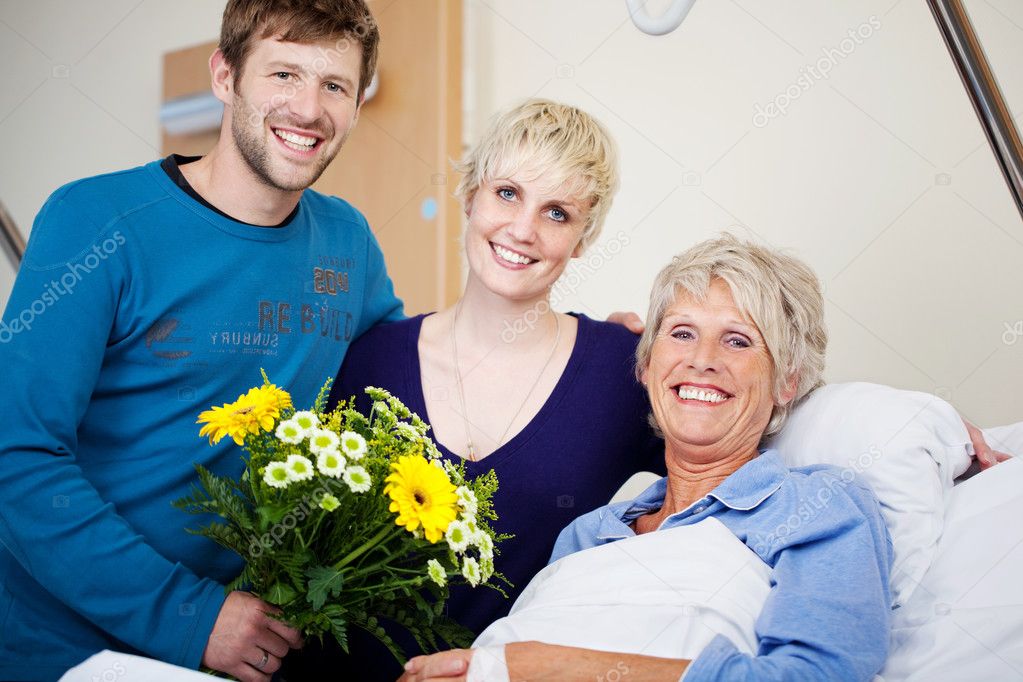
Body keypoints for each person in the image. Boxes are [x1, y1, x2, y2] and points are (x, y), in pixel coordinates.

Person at [0, 1, 402, 680]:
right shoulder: (96, 221)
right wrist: (187, 615)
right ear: (224, 76)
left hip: (244, 644)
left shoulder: (347, 242)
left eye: (334, 85)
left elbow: (408, 368)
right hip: (67, 648)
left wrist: (592, 341)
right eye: (283, 74)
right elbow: (17, 453)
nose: (307, 108)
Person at [283, 99, 665, 680]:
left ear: (583, 239)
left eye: (557, 213)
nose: (522, 229)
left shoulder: (620, 371)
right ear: (469, 195)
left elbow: (718, 488)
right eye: (507, 193)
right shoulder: (370, 359)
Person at [401, 234, 894, 681]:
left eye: (737, 340)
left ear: (787, 380)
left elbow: (817, 677)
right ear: (646, 365)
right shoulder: (589, 533)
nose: (701, 359)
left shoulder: (817, 507)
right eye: (681, 333)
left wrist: (548, 668)